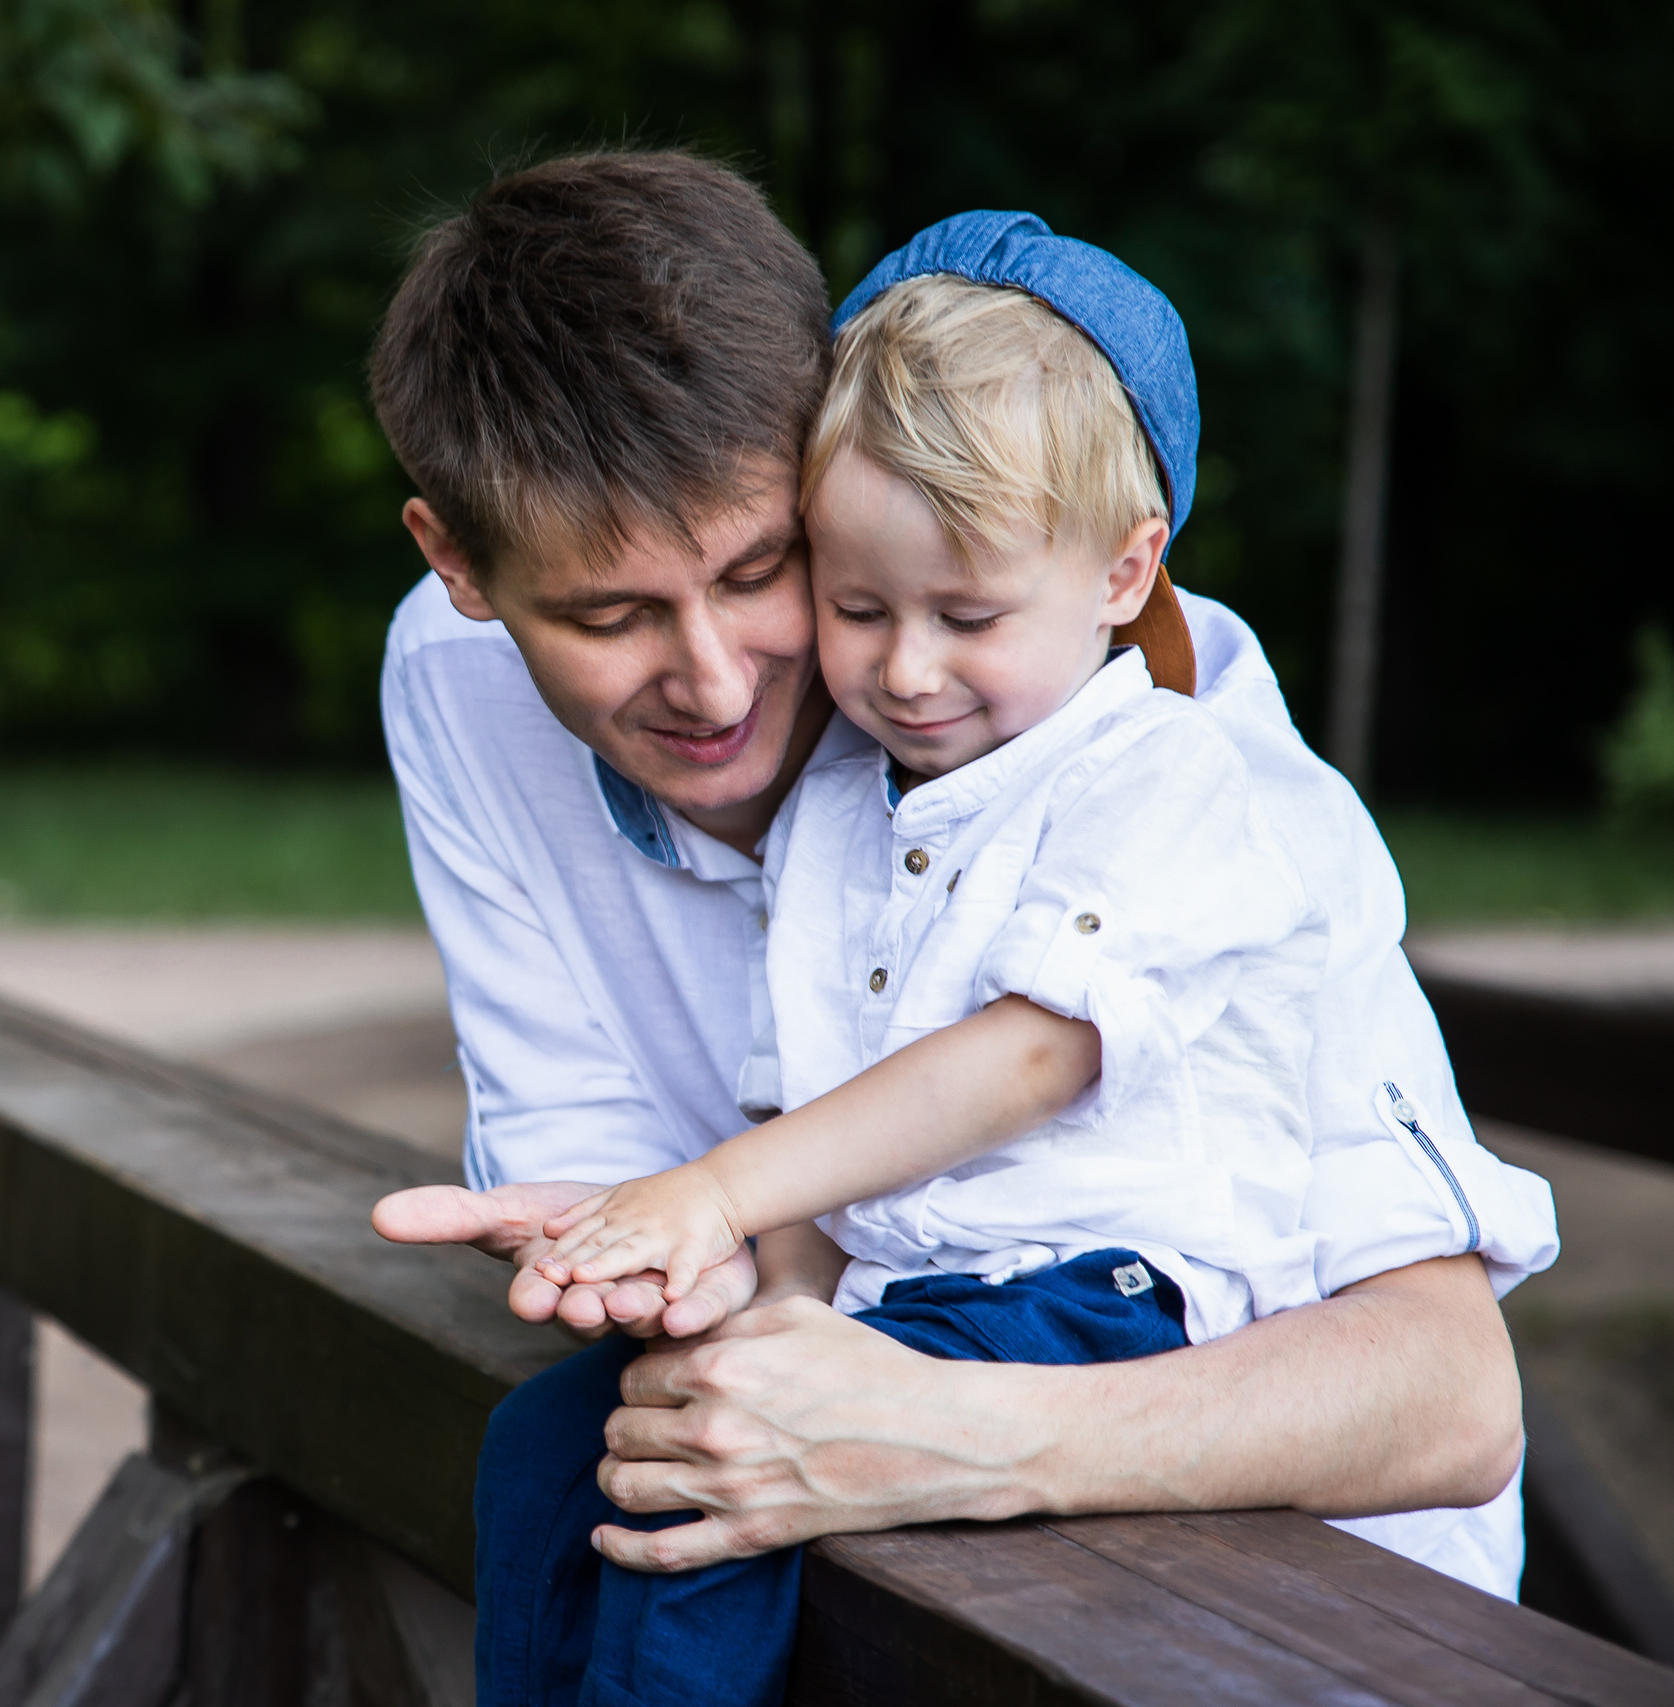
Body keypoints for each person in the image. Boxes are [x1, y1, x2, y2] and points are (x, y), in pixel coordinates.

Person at [364, 150, 1554, 1609]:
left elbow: (1451, 1399)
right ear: (463, 569)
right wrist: (682, 1266)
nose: (714, 682)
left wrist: (949, 1435)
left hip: (1325, 1618)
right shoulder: (455, 674)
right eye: (610, 617)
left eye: (760, 573)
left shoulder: (1177, 763)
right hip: (890, 1540)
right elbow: (631, 1185)